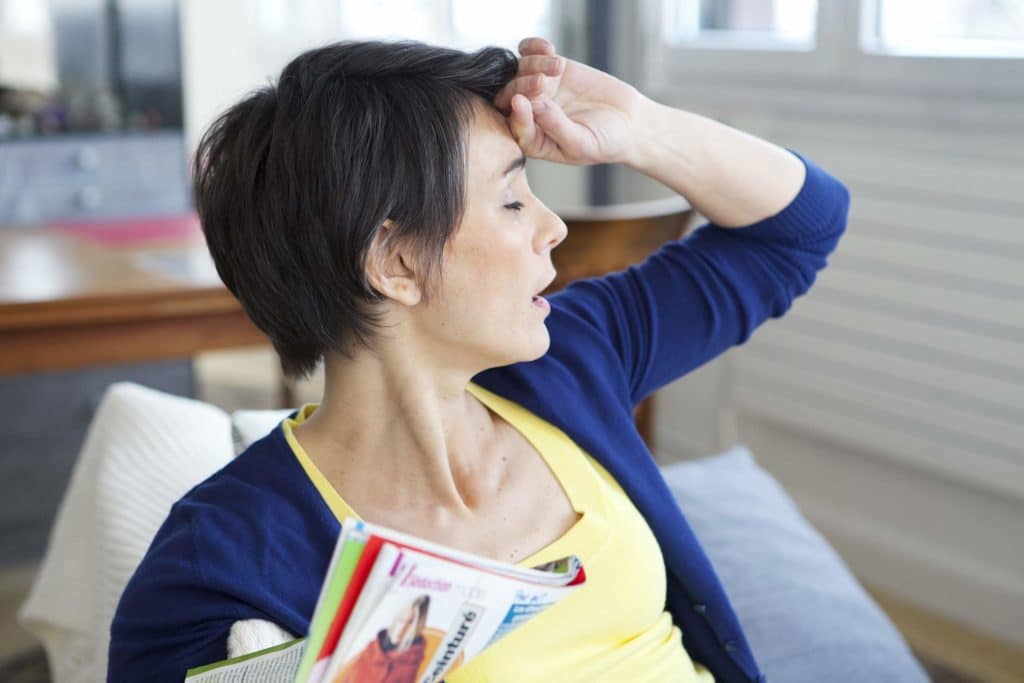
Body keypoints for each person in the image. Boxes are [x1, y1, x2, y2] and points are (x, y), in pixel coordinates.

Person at [108, 36, 849, 682]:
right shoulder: (219, 559)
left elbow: (797, 228)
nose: (553, 227)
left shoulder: (569, 358)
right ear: (396, 260)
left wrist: (642, 130)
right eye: (512, 200)